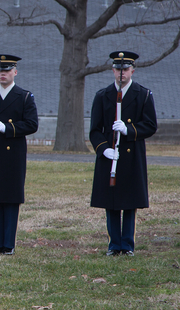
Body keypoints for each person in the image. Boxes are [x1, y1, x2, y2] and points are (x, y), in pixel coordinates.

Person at [89, 51, 157, 257]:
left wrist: (129, 130)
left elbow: (150, 125)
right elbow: (94, 130)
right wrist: (103, 149)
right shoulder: (102, 95)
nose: (121, 73)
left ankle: (127, 244)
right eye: (118, 69)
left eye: (125, 69)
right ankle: (113, 244)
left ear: (132, 70)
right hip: (111, 156)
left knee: (129, 202)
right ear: (113, 70)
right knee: (111, 201)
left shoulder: (143, 94)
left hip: (132, 154)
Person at [0, 54, 39, 256]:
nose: (3, 74)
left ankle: (8, 245)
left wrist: (7, 128)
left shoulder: (24, 97)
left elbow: (31, 124)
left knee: (10, 200)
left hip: (13, 156)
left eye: (7, 71)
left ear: (15, 72)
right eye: (1, 71)